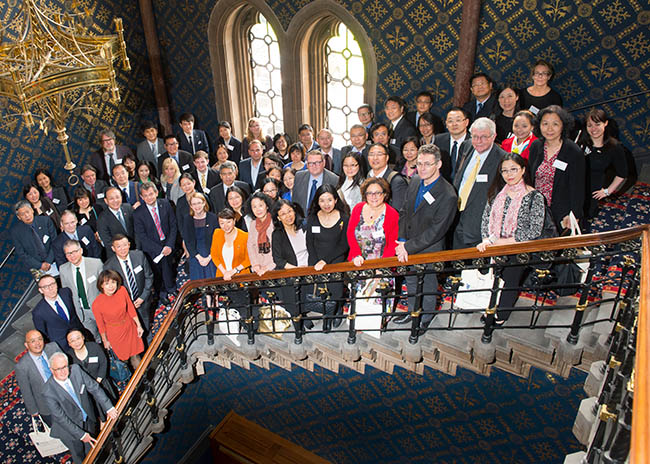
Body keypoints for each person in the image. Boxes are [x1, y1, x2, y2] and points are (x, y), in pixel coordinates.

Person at [476, 153, 546, 322]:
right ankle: (490, 306)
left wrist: (505, 242)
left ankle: (501, 314)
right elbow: (485, 219)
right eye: (505, 171)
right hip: (495, 246)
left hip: (518, 248)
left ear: (522, 170)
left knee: (510, 281)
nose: (509, 174)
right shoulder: (497, 194)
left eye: (514, 169)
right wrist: (487, 239)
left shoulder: (534, 196)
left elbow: (535, 230)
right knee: (495, 279)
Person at [396, 144, 458, 333]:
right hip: (407, 244)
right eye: (419, 164)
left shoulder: (448, 195)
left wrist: (409, 247)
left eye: (427, 164)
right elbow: (405, 211)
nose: (422, 168)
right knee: (412, 281)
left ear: (438, 164)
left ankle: (426, 317)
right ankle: (413, 311)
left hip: (429, 248)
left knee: (428, 284)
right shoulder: (415, 180)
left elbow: (437, 231)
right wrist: (401, 240)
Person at [43, 352, 118, 464]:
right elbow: (61, 418)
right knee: (79, 455)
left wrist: (109, 408)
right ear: (51, 370)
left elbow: (94, 388)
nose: (63, 371)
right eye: (58, 369)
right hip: (69, 430)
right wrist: (81, 434)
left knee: (92, 448)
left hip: (88, 419)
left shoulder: (76, 370)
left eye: (65, 367)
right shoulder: (48, 391)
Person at [528, 105, 585, 231]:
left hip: (561, 211)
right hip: (536, 208)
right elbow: (530, 177)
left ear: (563, 126)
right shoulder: (536, 146)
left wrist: (574, 214)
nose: (549, 129)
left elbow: (578, 188)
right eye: (545, 124)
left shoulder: (573, 151)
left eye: (555, 124)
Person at [452, 117, 506, 249]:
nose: (478, 141)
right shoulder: (467, 146)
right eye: (475, 136)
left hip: (479, 224)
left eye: (483, 137)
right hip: (456, 217)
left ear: (493, 136)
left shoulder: (502, 158)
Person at [306, 185, 350, 331]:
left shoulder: (344, 218)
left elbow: (344, 244)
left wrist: (325, 261)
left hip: (336, 260)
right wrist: (314, 262)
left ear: (336, 200)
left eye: (329, 200)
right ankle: (326, 313)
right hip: (317, 261)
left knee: (335, 290)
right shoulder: (313, 217)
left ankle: (337, 311)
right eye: (322, 200)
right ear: (317, 202)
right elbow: (310, 242)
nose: (326, 204)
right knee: (321, 290)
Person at [271, 200, 314, 332]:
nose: (288, 215)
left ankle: (304, 314)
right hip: (291, 272)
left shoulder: (304, 226)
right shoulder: (277, 234)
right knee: (293, 297)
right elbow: (278, 260)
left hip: (309, 269)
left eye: (289, 211)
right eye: (283, 214)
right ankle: (298, 326)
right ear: (278, 217)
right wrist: (297, 270)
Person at [134, 182, 178, 305]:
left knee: (169, 267)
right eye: (146, 195)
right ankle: (162, 294)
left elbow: (173, 225)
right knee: (157, 273)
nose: (149, 197)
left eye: (151, 194)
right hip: (152, 248)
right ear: (142, 197)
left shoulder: (166, 204)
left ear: (156, 193)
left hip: (167, 243)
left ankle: (171, 288)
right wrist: (159, 249)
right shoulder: (138, 213)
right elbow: (142, 236)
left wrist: (169, 245)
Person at [580, 108, 628, 219]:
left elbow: (622, 173)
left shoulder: (614, 146)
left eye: (597, 124)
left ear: (605, 123)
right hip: (574, 187)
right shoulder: (580, 142)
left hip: (593, 191)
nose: (593, 129)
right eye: (589, 125)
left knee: (586, 218)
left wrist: (607, 191)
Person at [92, 270, 144, 369]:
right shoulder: (97, 304)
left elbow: (130, 309)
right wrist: (105, 341)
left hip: (129, 327)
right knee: (122, 361)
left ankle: (144, 380)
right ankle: (130, 382)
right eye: (107, 283)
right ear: (101, 285)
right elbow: (100, 325)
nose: (111, 286)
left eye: (113, 282)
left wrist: (139, 326)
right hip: (115, 334)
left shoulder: (122, 290)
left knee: (135, 355)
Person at [103, 234, 154, 333]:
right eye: (118, 246)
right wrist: (127, 303)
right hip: (125, 306)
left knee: (145, 325)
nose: (122, 249)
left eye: (125, 245)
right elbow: (111, 291)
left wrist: (142, 297)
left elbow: (149, 277)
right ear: (113, 248)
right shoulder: (109, 266)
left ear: (129, 245)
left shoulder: (139, 256)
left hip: (143, 299)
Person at [347, 178, 399, 266]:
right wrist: (356, 255)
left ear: (385, 194)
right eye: (369, 193)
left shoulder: (392, 213)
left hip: (383, 266)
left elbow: (392, 244)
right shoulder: (358, 208)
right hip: (357, 262)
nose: (373, 197)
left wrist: (382, 267)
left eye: (378, 193)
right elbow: (350, 234)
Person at [59, 239, 103, 342]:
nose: (72, 255)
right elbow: (67, 293)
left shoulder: (96, 264)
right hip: (82, 313)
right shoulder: (63, 269)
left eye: (75, 252)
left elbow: (104, 287)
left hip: (99, 308)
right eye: (68, 253)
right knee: (93, 338)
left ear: (81, 251)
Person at [15, 330, 60, 426]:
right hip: (47, 406)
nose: (37, 343)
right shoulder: (22, 366)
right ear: (26, 345)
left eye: (40, 339)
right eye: (33, 341)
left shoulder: (53, 348)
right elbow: (26, 390)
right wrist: (34, 411)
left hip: (66, 395)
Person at [32, 275, 85, 349]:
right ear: (41, 290)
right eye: (46, 287)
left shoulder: (66, 293)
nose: (51, 288)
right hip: (62, 345)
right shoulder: (38, 312)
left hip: (79, 335)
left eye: (52, 284)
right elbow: (43, 333)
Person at [65, 329, 116, 401]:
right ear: (69, 344)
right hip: (88, 391)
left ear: (83, 337)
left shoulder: (94, 346)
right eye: (72, 341)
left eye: (78, 338)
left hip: (102, 384)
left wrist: (98, 381)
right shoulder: (69, 357)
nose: (76, 342)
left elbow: (103, 363)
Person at [11, 200, 58, 275]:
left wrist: (49, 261)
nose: (27, 215)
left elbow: (55, 241)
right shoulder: (16, 232)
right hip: (36, 268)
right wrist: (40, 265)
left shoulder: (45, 221)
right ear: (19, 217)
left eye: (27, 211)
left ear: (32, 210)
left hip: (55, 259)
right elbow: (21, 253)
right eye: (22, 214)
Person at [181, 192, 219, 279]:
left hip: (211, 255)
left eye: (199, 203)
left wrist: (209, 257)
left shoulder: (213, 218)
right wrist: (199, 257)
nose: (197, 206)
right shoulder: (187, 219)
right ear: (190, 206)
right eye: (194, 204)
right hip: (195, 256)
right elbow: (188, 241)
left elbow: (217, 239)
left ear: (204, 203)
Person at [210, 208, 250, 279]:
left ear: (234, 221)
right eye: (222, 223)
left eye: (228, 222)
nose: (225, 226)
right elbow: (214, 255)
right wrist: (224, 272)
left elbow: (249, 259)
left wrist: (234, 271)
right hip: (222, 276)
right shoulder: (217, 233)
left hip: (241, 276)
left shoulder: (245, 236)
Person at [367, 142, 407, 211]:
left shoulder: (396, 181)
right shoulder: (368, 177)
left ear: (387, 157)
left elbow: (398, 212)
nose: (375, 158)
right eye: (372, 154)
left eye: (379, 154)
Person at [97, 186, 136, 257]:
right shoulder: (102, 218)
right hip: (117, 255)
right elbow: (107, 242)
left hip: (135, 250)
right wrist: (123, 251)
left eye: (117, 197)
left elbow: (137, 229)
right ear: (106, 201)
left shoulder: (128, 208)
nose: (115, 201)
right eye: (111, 199)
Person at [435, 107, 471, 182]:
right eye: (450, 121)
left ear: (466, 122)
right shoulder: (439, 140)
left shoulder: (473, 142)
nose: (454, 124)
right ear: (446, 124)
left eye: (458, 120)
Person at [245, 192, 275, 276]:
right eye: (254, 207)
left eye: (260, 205)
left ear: (267, 206)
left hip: (274, 267)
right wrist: (255, 265)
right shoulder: (253, 224)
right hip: (258, 269)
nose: (258, 209)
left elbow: (280, 249)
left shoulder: (275, 222)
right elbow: (250, 246)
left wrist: (268, 267)